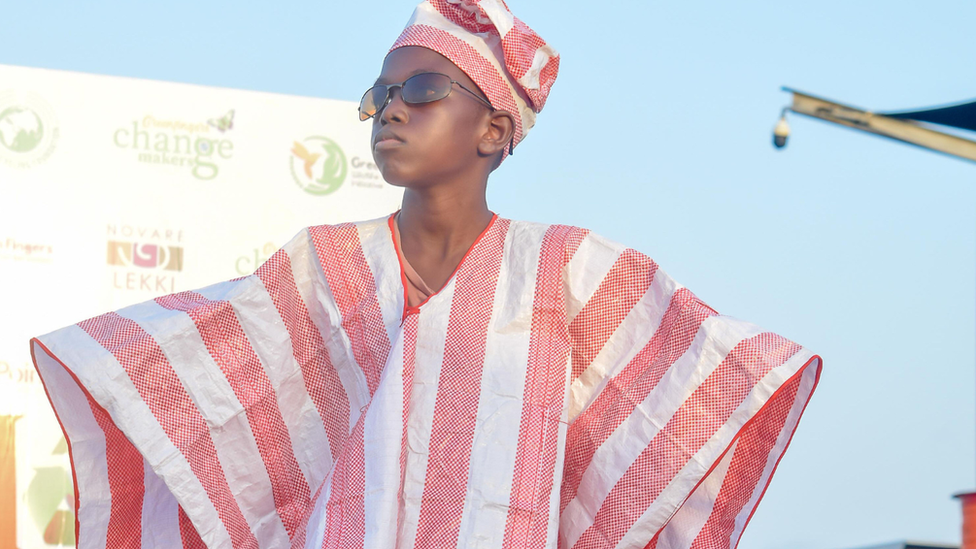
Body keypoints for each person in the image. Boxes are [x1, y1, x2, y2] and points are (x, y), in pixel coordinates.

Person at [30, 1, 822, 548]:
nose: (393, 110)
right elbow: (206, 417)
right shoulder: (324, 266)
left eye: (422, 89)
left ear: (496, 129)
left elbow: (690, 412)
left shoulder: (572, 272)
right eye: (382, 94)